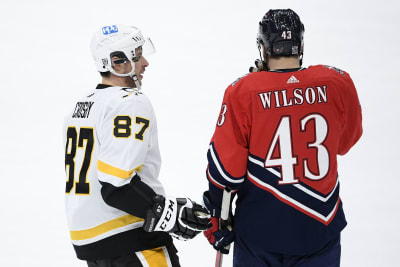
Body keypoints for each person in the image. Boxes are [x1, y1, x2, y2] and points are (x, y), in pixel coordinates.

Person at [202, 9, 362, 267]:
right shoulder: (337, 81)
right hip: (320, 225)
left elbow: (226, 172)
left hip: (259, 232)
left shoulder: (242, 90)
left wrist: (216, 214)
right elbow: (346, 141)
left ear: (263, 48)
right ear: (299, 46)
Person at [63, 24, 210, 267]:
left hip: (94, 246)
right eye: (138, 56)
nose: (145, 63)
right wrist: (169, 215)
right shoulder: (129, 102)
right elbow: (116, 185)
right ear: (117, 62)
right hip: (131, 240)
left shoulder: (80, 107)